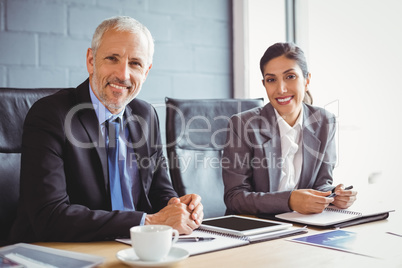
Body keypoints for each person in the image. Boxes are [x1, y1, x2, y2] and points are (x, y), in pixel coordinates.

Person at [9, 16, 203, 243]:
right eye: (112, 58)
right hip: (62, 251)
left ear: (146, 72)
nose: (123, 74)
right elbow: (49, 216)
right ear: (91, 60)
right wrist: (148, 223)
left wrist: (177, 207)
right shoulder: (51, 114)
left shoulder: (146, 115)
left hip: (136, 247)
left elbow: (159, 191)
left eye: (135, 64)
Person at [222, 42, 357, 215]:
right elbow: (235, 197)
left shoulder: (324, 121)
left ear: (307, 80)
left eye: (290, 76)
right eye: (271, 80)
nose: (281, 89)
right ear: (264, 84)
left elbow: (321, 183)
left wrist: (334, 195)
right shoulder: (242, 125)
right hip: (257, 226)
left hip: (302, 224)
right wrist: (289, 200)